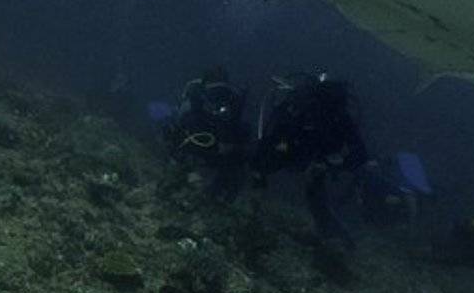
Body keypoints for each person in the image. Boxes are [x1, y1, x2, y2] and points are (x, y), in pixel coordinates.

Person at [249, 71, 370, 245]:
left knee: (315, 195)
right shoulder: (312, 109)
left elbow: (360, 155)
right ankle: (255, 208)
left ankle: (331, 235)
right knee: (261, 166)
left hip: (314, 160)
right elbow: (272, 138)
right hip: (293, 152)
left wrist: (328, 164)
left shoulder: (337, 117)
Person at [158, 66, 251, 201]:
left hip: (216, 151)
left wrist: (233, 145)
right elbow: (177, 132)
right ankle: (178, 183)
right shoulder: (192, 105)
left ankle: (216, 195)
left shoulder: (232, 108)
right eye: (213, 91)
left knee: (238, 158)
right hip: (194, 146)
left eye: (222, 91)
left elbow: (240, 145)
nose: (217, 99)